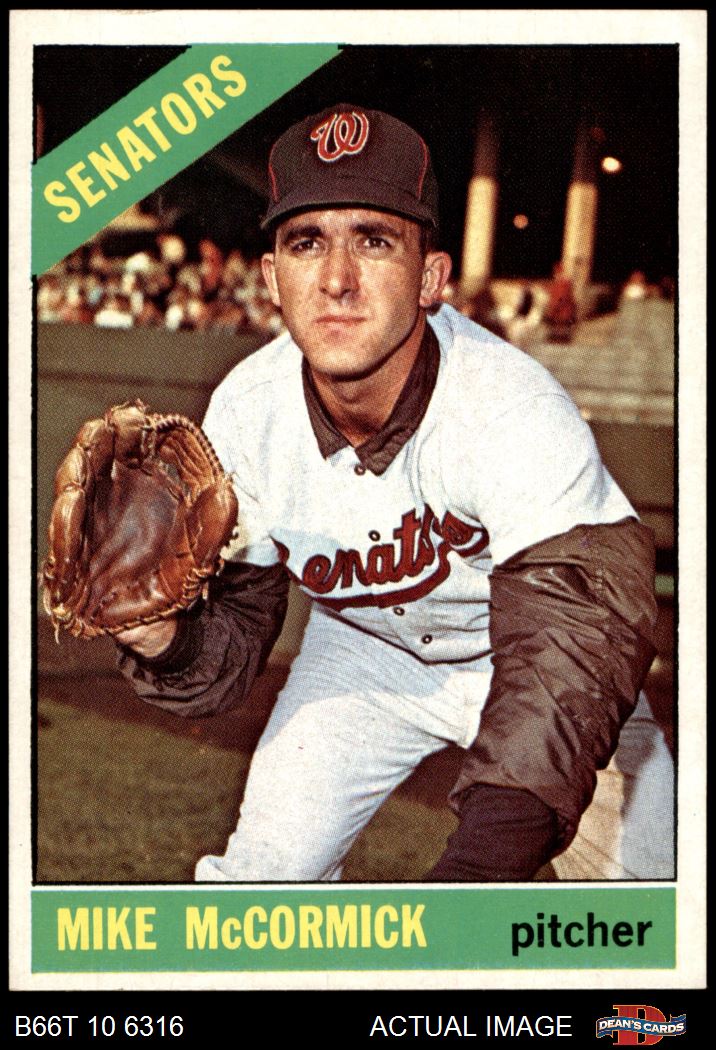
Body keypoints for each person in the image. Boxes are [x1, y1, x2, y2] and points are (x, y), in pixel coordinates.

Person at [114, 103, 673, 882]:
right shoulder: (245, 414)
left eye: (374, 241)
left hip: (525, 654)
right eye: (307, 242)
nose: (337, 280)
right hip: (361, 654)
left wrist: (472, 880)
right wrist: (163, 640)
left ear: (431, 277)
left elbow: (574, 639)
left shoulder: (511, 405)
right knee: (257, 886)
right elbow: (236, 634)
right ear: (272, 279)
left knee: (646, 904)